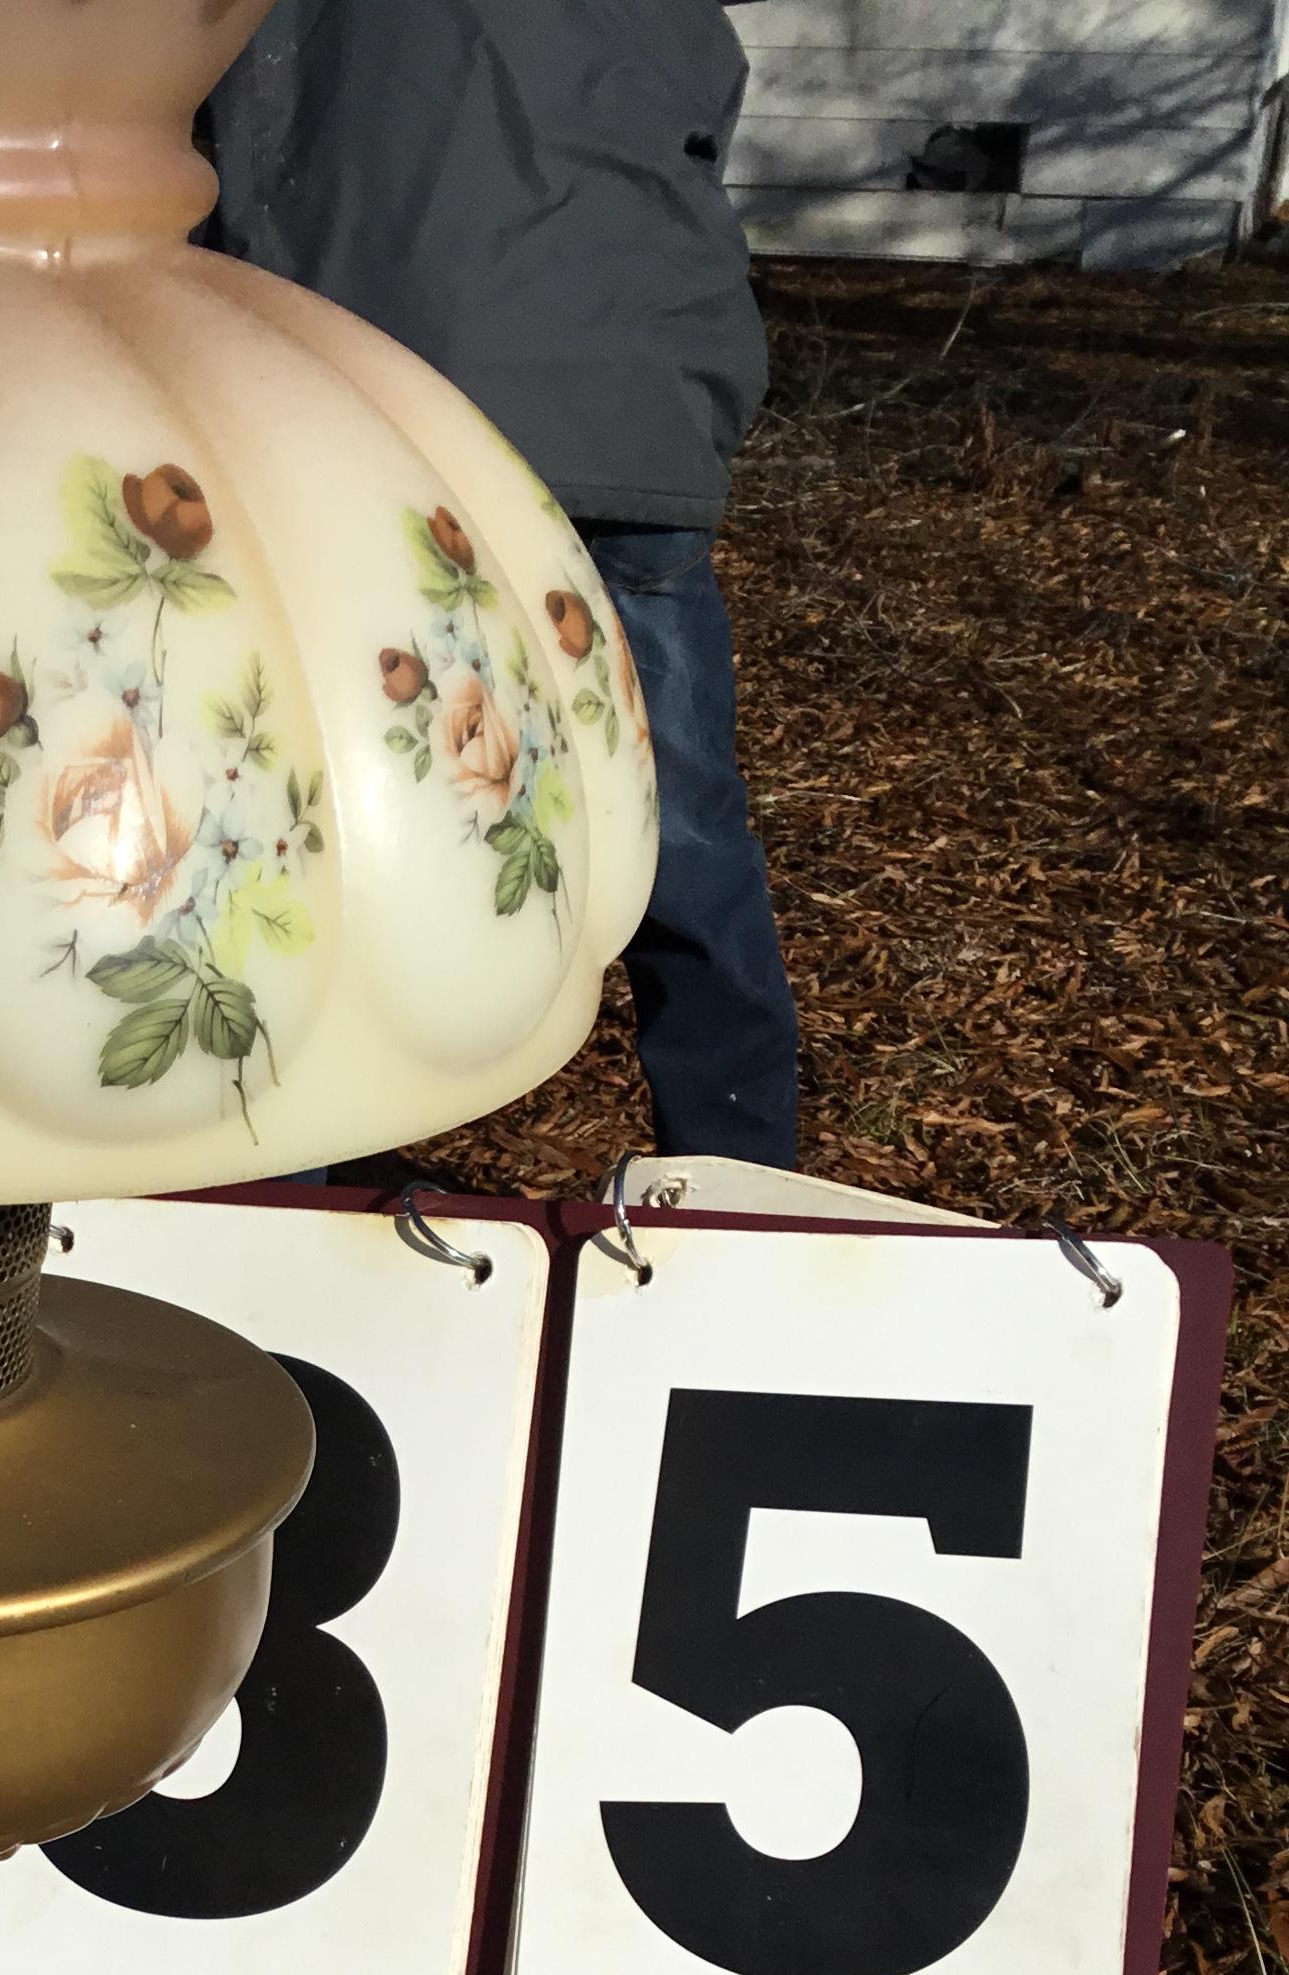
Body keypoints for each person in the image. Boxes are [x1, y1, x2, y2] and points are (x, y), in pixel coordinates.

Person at [201, 0, 802, 1169]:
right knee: (682, 826)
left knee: (340, 817)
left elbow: (231, 151)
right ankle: (743, 1177)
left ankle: (291, 1181)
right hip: (632, 424)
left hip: (392, 424)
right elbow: (698, 116)